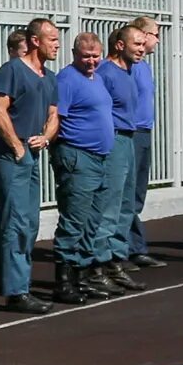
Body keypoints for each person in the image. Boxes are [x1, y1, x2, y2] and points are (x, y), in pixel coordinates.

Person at [0, 20, 63, 309]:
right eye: (51, 39)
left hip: (32, 154)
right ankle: (17, 292)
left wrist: (46, 136)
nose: (56, 44)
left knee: (27, 221)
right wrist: (16, 146)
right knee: (17, 221)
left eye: (57, 38)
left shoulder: (49, 77)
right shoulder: (12, 70)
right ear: (35, 41)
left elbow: (54, 114)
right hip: (10, 155)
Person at [51, 31, 122, 303]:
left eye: (95, 56)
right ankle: (64, 281)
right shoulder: (67, 80)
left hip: (100, 158)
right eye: (86, 56)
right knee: (74, 220)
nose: (91, 61)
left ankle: (82, 275)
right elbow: (56, 117)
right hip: (78, 158)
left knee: (92, 221)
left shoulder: (98, 78)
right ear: (74, 54)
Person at [93, 27, 146, 293]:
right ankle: (99, 265)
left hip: (128, 139)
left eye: (142, 43)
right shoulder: (106, 72)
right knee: (110, 204)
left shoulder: (130, 72)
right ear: (119, 45)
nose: (141, 48)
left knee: (126, 204)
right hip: (113, 140)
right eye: (136, 43)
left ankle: (116, 260)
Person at [115, 18, 164, 271]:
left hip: (144, 132)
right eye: (155, 34)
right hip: (130, 133)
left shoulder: (144, 67)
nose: (157, 39)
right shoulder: (128, 66)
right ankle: (121, 251)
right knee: (125, 193)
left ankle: (135, 247)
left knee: (137, 194)